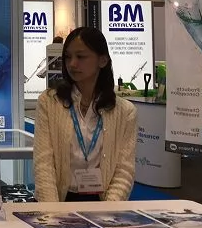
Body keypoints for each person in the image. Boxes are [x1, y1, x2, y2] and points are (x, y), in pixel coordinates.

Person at [33, 27, 137, 202]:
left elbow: (124, 170)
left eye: (80, 57)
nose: (72, 64)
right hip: (57, 200)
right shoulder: (49, 102)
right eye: (68, 57)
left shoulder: (125, 112)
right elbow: (43, 164)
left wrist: (108, 211)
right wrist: (52, 212)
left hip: (102, 202)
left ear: (102, 60)